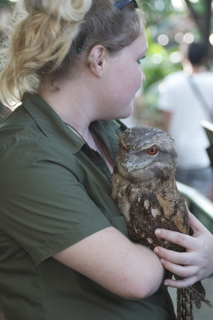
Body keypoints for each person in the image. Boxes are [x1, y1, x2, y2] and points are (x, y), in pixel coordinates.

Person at [0, 1, 212, 319]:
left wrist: (204, 252)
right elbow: (135, 277)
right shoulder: (24, 156)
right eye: (138, 60)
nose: (142, 77)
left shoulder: (109, 130)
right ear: (98, 60)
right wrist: (189, 252)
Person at [158, 42, 213, 199]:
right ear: (204, 58)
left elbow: (165, 124)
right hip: (203, 157)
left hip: (178, 156)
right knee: (201, 208)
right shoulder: (211, 81)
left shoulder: (172, 82)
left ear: (185, 57)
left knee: (179, 206)